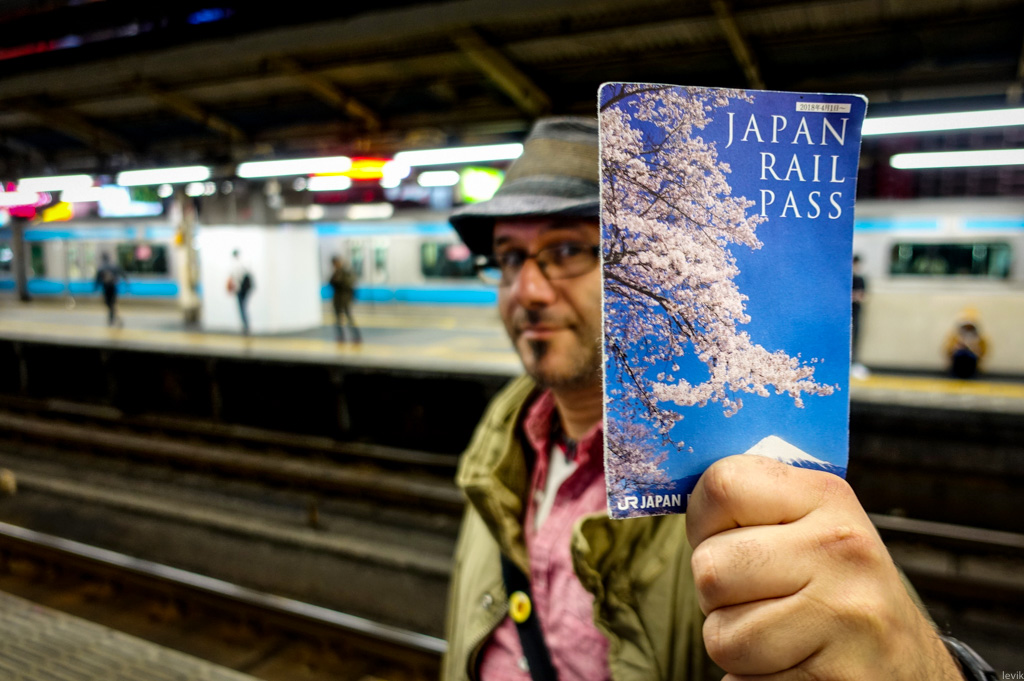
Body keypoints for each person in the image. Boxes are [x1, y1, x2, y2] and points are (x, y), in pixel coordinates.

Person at [443, 117, 978, 680]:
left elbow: (867, 639)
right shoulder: (497, 444)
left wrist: (917, 664)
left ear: (645, 264)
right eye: (509, 257)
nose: (527, 290)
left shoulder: (735, 476)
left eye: (568, 249)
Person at [945, 310, 988, 379]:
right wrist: (957, 347)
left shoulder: (980, 339)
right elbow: (948, 351)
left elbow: (982, 353)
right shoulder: (955, 337)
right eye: (966, 327)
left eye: (970, 328)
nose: (968, 330)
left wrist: (974, 348)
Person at [328, 255, 361, 342]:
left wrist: (339, 280)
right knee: (338, 319)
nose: (335, 265)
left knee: (349, 318)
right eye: (334, 264)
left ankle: (356, 336)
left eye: (336, 263)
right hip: (337, 300)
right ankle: (340, 336)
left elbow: (350, 283)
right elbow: (330, 283)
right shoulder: (335, 273)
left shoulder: (346, 272)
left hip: (345, 299)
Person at [94, 252, 127, 327]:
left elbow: (97, 280)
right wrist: (126, 282)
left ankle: (113, 319)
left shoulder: (101, 268)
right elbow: (123, 274)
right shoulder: (114, 266)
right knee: (112, 304)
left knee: (109, 304)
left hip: (106, 289)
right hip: (113, 288)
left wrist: (95, 288)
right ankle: (112, 318)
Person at [851, 254, 870, 379]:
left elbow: (863, 296)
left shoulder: (860, 279)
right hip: (850, 314)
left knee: (855, 338)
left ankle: (853, 362)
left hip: (856, 313)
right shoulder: (848, 279)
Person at [227, 249, 253, 335]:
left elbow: (236, 278)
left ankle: (245, 326)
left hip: (240, 289)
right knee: (244, 307)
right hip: (245, 288)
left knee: (242, 308)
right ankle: (246, 325)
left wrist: (235, 287)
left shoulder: (235, 265)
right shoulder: (244, 262)